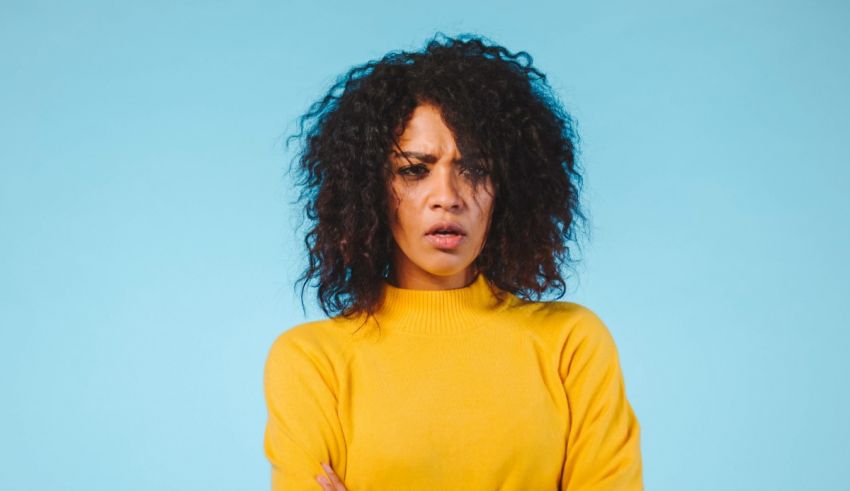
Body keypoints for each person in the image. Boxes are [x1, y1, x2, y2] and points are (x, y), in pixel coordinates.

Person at [263, 33, 643, 490]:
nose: (447, 198)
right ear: (370, 190)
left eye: (475, 169)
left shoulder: (571, 344)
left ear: (506, 189)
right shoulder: (311, 361)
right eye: (414, 170)